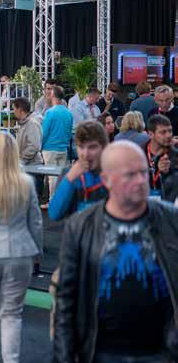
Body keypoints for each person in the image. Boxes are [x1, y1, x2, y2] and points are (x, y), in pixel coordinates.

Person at [53, 140, 178, 363]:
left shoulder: (171, 220)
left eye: (143, 172)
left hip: (161, 353)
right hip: (100, 352)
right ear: (106, 180)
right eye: (130, 175)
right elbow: (66, 302)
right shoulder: (81, 226)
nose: (140, 180)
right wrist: (64, 357)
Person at [0, 133, 42, 363]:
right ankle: (11, 359)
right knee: (12, 313)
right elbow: (36, 221)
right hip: (21, 251)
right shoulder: (26, 183)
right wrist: (38, 251)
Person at [48, 121, 108, 221]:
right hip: (78, 229)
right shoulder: (69, 174)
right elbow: (54, 214)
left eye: (92, 147)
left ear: (103, 147)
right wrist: (70, 178)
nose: (85, 154)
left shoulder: (113, 172)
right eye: (81, 147)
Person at [42, 85, 73, 198]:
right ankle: (60, 201)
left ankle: (52, 200)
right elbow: (69, 132)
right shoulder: (68, 113)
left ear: (52, 95)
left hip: (49, 149)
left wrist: (40, 146)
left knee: (52, 177)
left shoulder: (50, 112)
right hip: (63, 149)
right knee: (61, 177)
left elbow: (44, 132)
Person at [142, 114, 178, 201]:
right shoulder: (139, 154)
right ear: (151, 134)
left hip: (169, 205)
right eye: (163, 132)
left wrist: (167, 173)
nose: (168, 135)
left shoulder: (175, 156)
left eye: (170, 131)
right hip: (143, 203)